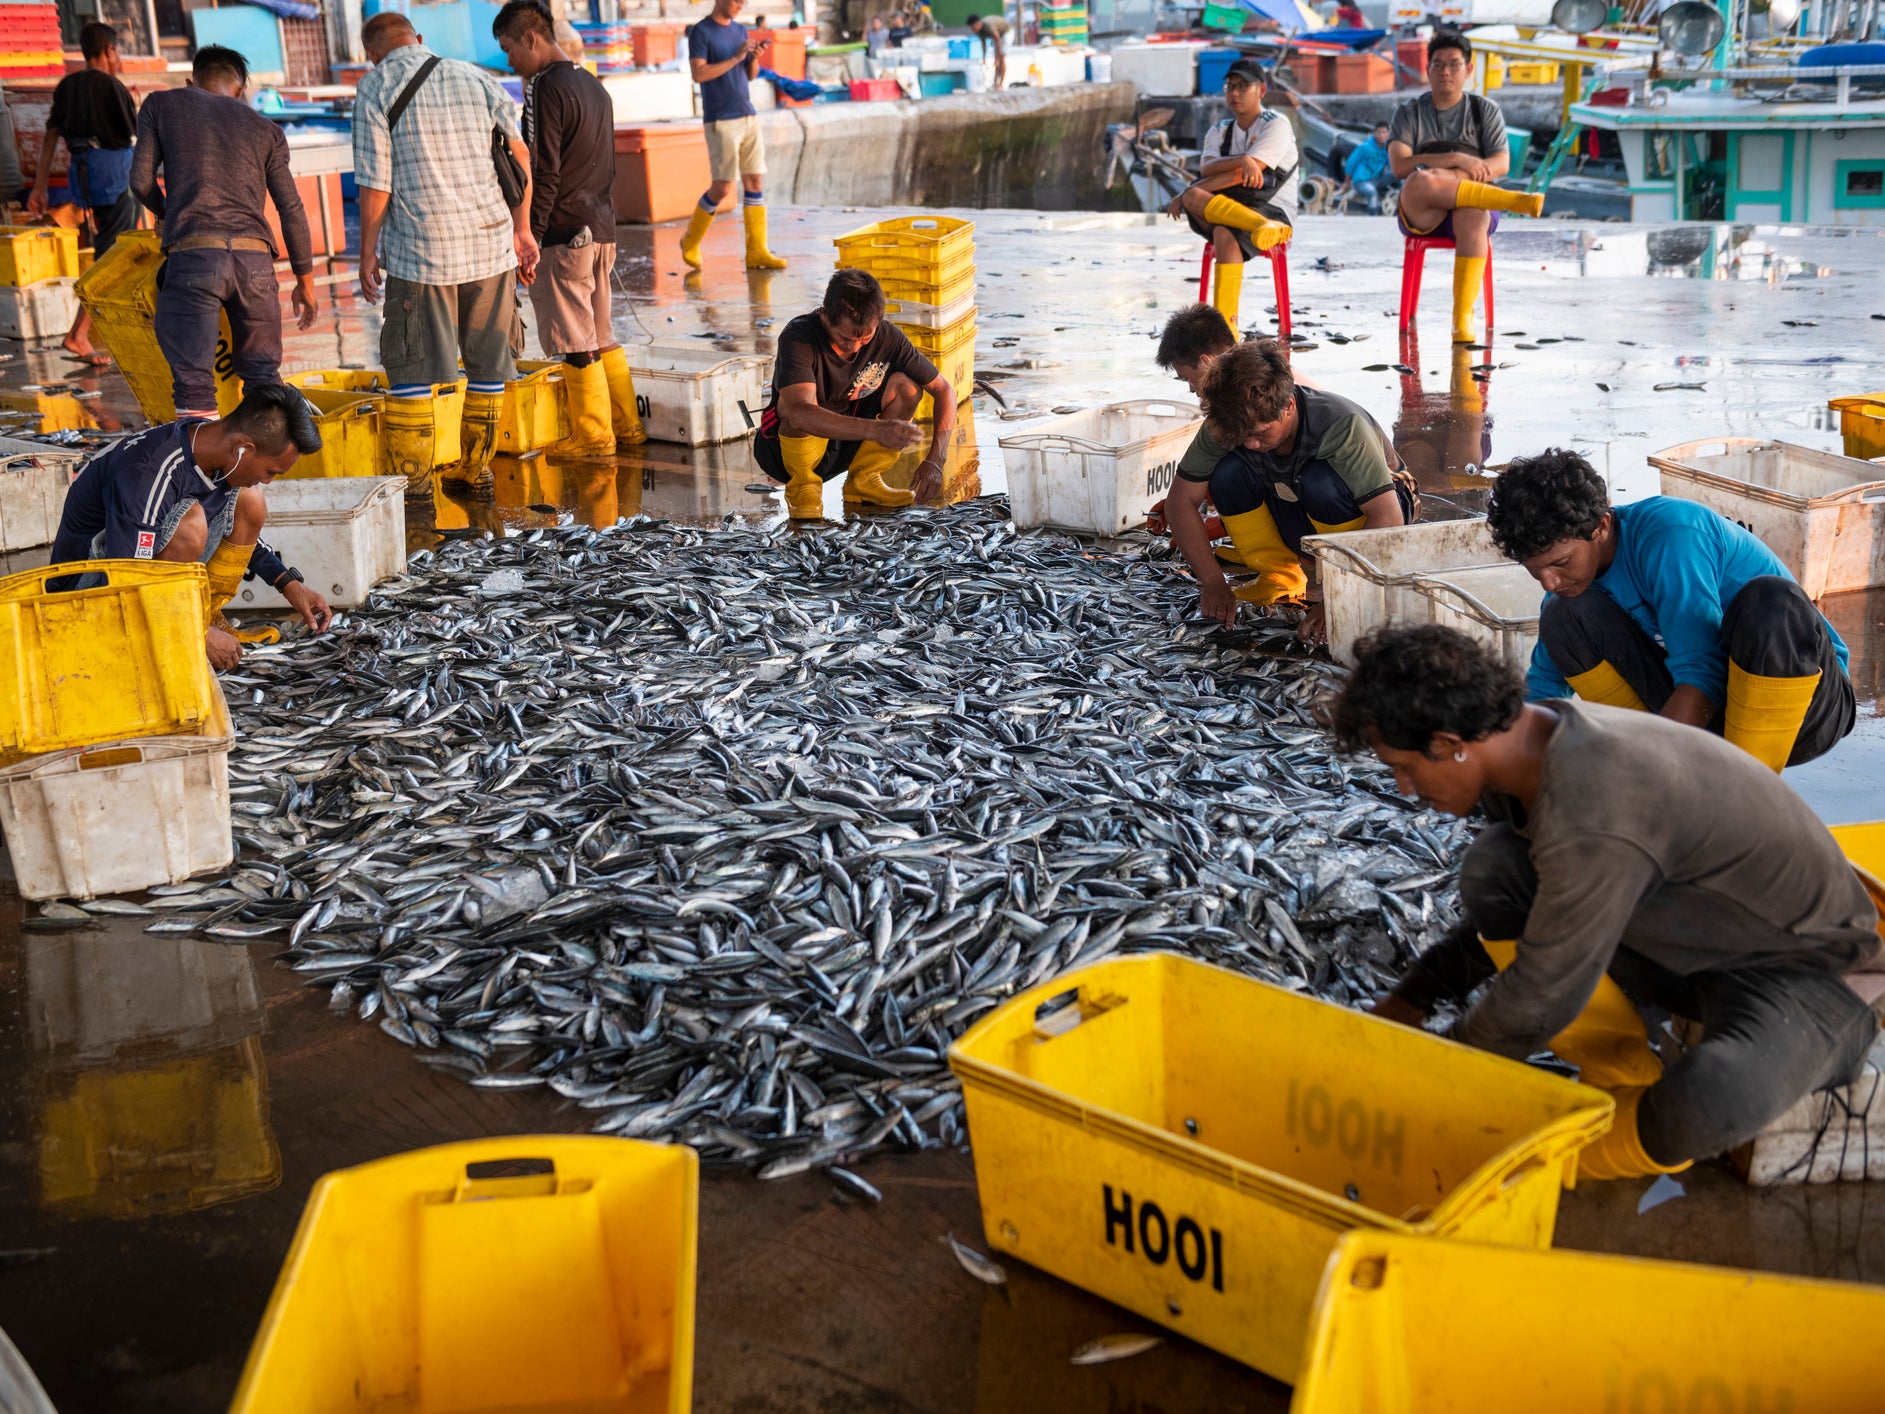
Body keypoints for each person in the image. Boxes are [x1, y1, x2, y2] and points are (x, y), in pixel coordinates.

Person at [1331, 624, 1883, 1181]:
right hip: (1690, 940)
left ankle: (1563, 1165)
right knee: (1498, 866)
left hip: (1808, 971)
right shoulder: (1529, 741)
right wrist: (1415, 995)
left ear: (1452, 745)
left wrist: (1437, 1080)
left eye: (1403, 768)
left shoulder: (1594, 798)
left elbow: (1539, 999)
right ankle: (1620, 1070)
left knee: (1706, 1102)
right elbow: (1534, 925)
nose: (1403, 788)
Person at [1487, 449, 1855, 771]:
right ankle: (1643, 755)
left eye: (1561, 563)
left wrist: (1650, 773)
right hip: (1712, 714)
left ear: (1601, 526)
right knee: (1563, 617)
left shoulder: (1671, 534)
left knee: (1772, 601)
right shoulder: (1567, 591)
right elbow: (1542, 691)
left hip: (1806, 708)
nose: (1549, 582)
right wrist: (1507, 760)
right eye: (1536, 571)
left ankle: (1736, 790)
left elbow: (1702, 670)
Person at [355, 10, 537, 529]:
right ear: (418, 39)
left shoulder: (375, 87)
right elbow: (519, 155)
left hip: (421, 251)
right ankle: (473, 471)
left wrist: (367, 252)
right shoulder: (475, 76)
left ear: (373, 52)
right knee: (487, 363)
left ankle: (414, 488)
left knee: (413, 365)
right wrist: (521, 229)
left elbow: (375, 184)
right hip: (490, 244)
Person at [48, 383, 332, 671]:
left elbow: (230, 524)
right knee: (190, 524)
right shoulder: (150, 473)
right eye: (271, 471)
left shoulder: (212, 446)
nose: (269, 479)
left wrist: (289, 585)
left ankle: (204, 615)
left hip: (134, 571)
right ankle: (162, 642)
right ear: (243, 449)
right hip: (88, 592)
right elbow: (127, 580)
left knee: (250, 499)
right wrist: (197, 634)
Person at [130, 46, 318, 421]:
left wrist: (169, 212)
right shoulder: (266, 129)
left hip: (195, 255)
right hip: (256, 264)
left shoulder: (161, 105)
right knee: (264, 381)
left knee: (195, 386)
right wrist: (305, 282)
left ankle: (204, 476)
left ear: (191, 82)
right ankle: (257, 476)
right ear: (242, 90)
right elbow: (291, 209)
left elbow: (140, 181)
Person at [494, 0, 646, 458]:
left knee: (574, 339)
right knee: (600, 333)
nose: (509, 61)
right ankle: (627, 427)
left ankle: (594, 438)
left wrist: (531, 238)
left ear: (530, 38)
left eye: (508, 49)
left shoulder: (543, 86)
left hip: (565, 231)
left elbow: (542, 168)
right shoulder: (594, 86)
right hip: (601, 226)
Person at [1190, 339, 1413, 645]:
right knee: (1227, 470)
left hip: (1381, 515)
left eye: (1259, 433)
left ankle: (1343, 578)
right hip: (1299, 504)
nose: (1251, 444)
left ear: (1289, 406)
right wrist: (1213, 581)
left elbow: (1388, 519)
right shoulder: (1229, 422)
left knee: (1319, 480)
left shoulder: (1342, 426)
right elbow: (1181, 501)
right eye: (1243, 435)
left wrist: (1337, 597)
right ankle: (1280, 577)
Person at [752, 268, 959, 520]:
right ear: (824, 316)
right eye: (845, 338)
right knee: (794, 406)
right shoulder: (799, 337)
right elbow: (798, 414)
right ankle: (803, 487)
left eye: (865, 338)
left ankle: (864, 481)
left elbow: (944, 390)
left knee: (908, 387)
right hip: (784, 455)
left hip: (847, 445)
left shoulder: (888, 337)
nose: (854, 348)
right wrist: (876, 430)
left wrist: (936, 460)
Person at [1387, 28, 1543, 343]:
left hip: (1473, 206)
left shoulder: (1485, 110)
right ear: (1427, 69)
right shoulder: (1409, 113)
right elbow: (1400, 166)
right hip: (1424, 210)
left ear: (1468, 70)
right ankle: (1510, 200)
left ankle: (1462, 320)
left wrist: (1453, 169)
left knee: (1473, 217)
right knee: (1421, 180)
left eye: (1454, 64)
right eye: (1438, 64)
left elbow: (1501, 162)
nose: (1446, 71)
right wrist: (1457, 159)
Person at [30, 22, 139, 366]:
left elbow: (50, 137)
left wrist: (39, 187)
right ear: (108, 50)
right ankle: (79, 334)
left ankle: (91, 328)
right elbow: (137, 138)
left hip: (83, 177)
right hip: (113, 178)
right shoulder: (113, 87)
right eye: (117, 51)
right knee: (112, 257)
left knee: (107, 251)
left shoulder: (66, 87)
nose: (118, 58)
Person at [1165, 59, 1298, 335]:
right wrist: (1243, 159)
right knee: (1217, 224)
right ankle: (1227, 334)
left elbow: (1243, 177)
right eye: (1229, 87)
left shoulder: (1276, 125)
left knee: (1207, 212)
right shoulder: (1220, 130)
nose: (1234, 93)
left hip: (1273, 210)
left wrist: (1193, 190)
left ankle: (1225, 332)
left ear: (1261, 90)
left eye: (1242, 87)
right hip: (1231, 209)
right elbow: (1207, 168)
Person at [681, 0, 786, 273]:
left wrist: (753, 58)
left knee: (754, 179)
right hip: (721, 119)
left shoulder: (741, 31)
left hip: (747, 113)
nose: (741, 5)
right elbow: (699, 73)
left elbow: (749, 75)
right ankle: (690, 241)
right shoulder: (701, 31)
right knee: (723, 186)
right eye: (738, 0)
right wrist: (736, 57)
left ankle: (757, 250)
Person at [1342, 121, 1392, 215]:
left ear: (1388, 135)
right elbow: (1351, 163)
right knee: (1371, 192)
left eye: (1384, 132)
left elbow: (1392, 166)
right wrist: (1347, 182)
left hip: (1378, 180)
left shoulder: (1387, 149)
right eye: (1379, 132)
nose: (1381, 135)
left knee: (1396, 173)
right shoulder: (1364, 147)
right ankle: (1373, 217)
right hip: (1362, 181)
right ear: (1374, 133)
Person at [965, 13, 1009, 87]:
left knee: (1001, 58)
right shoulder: (979, 31)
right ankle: (995, 83)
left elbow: (998, 39)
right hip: (997, 37)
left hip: (1006, 32)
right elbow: (984, 44)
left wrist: (997, 58)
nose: (973, 30)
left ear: (978, 24)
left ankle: (1001, 83)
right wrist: (984, 57)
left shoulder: (989, 26)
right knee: (996, 61)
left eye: (973, 28)